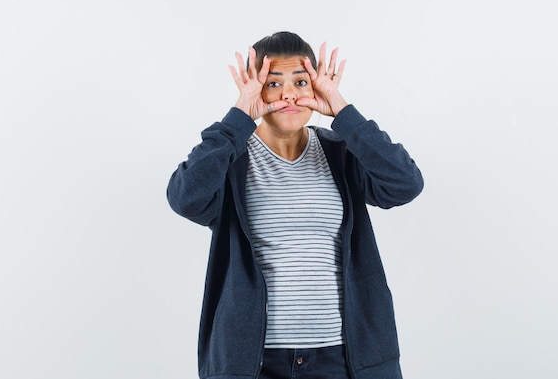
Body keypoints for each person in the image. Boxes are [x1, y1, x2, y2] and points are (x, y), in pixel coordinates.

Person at [166, 31, 424, 379]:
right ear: (255, 89)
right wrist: (238, 117)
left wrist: (343, 112)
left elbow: (405, 183)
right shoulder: (231, 161)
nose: (289, 93)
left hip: (345, 358)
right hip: (251, 362)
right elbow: (185, 197)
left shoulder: (341, 153)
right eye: (273, 83)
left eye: (301, 81)